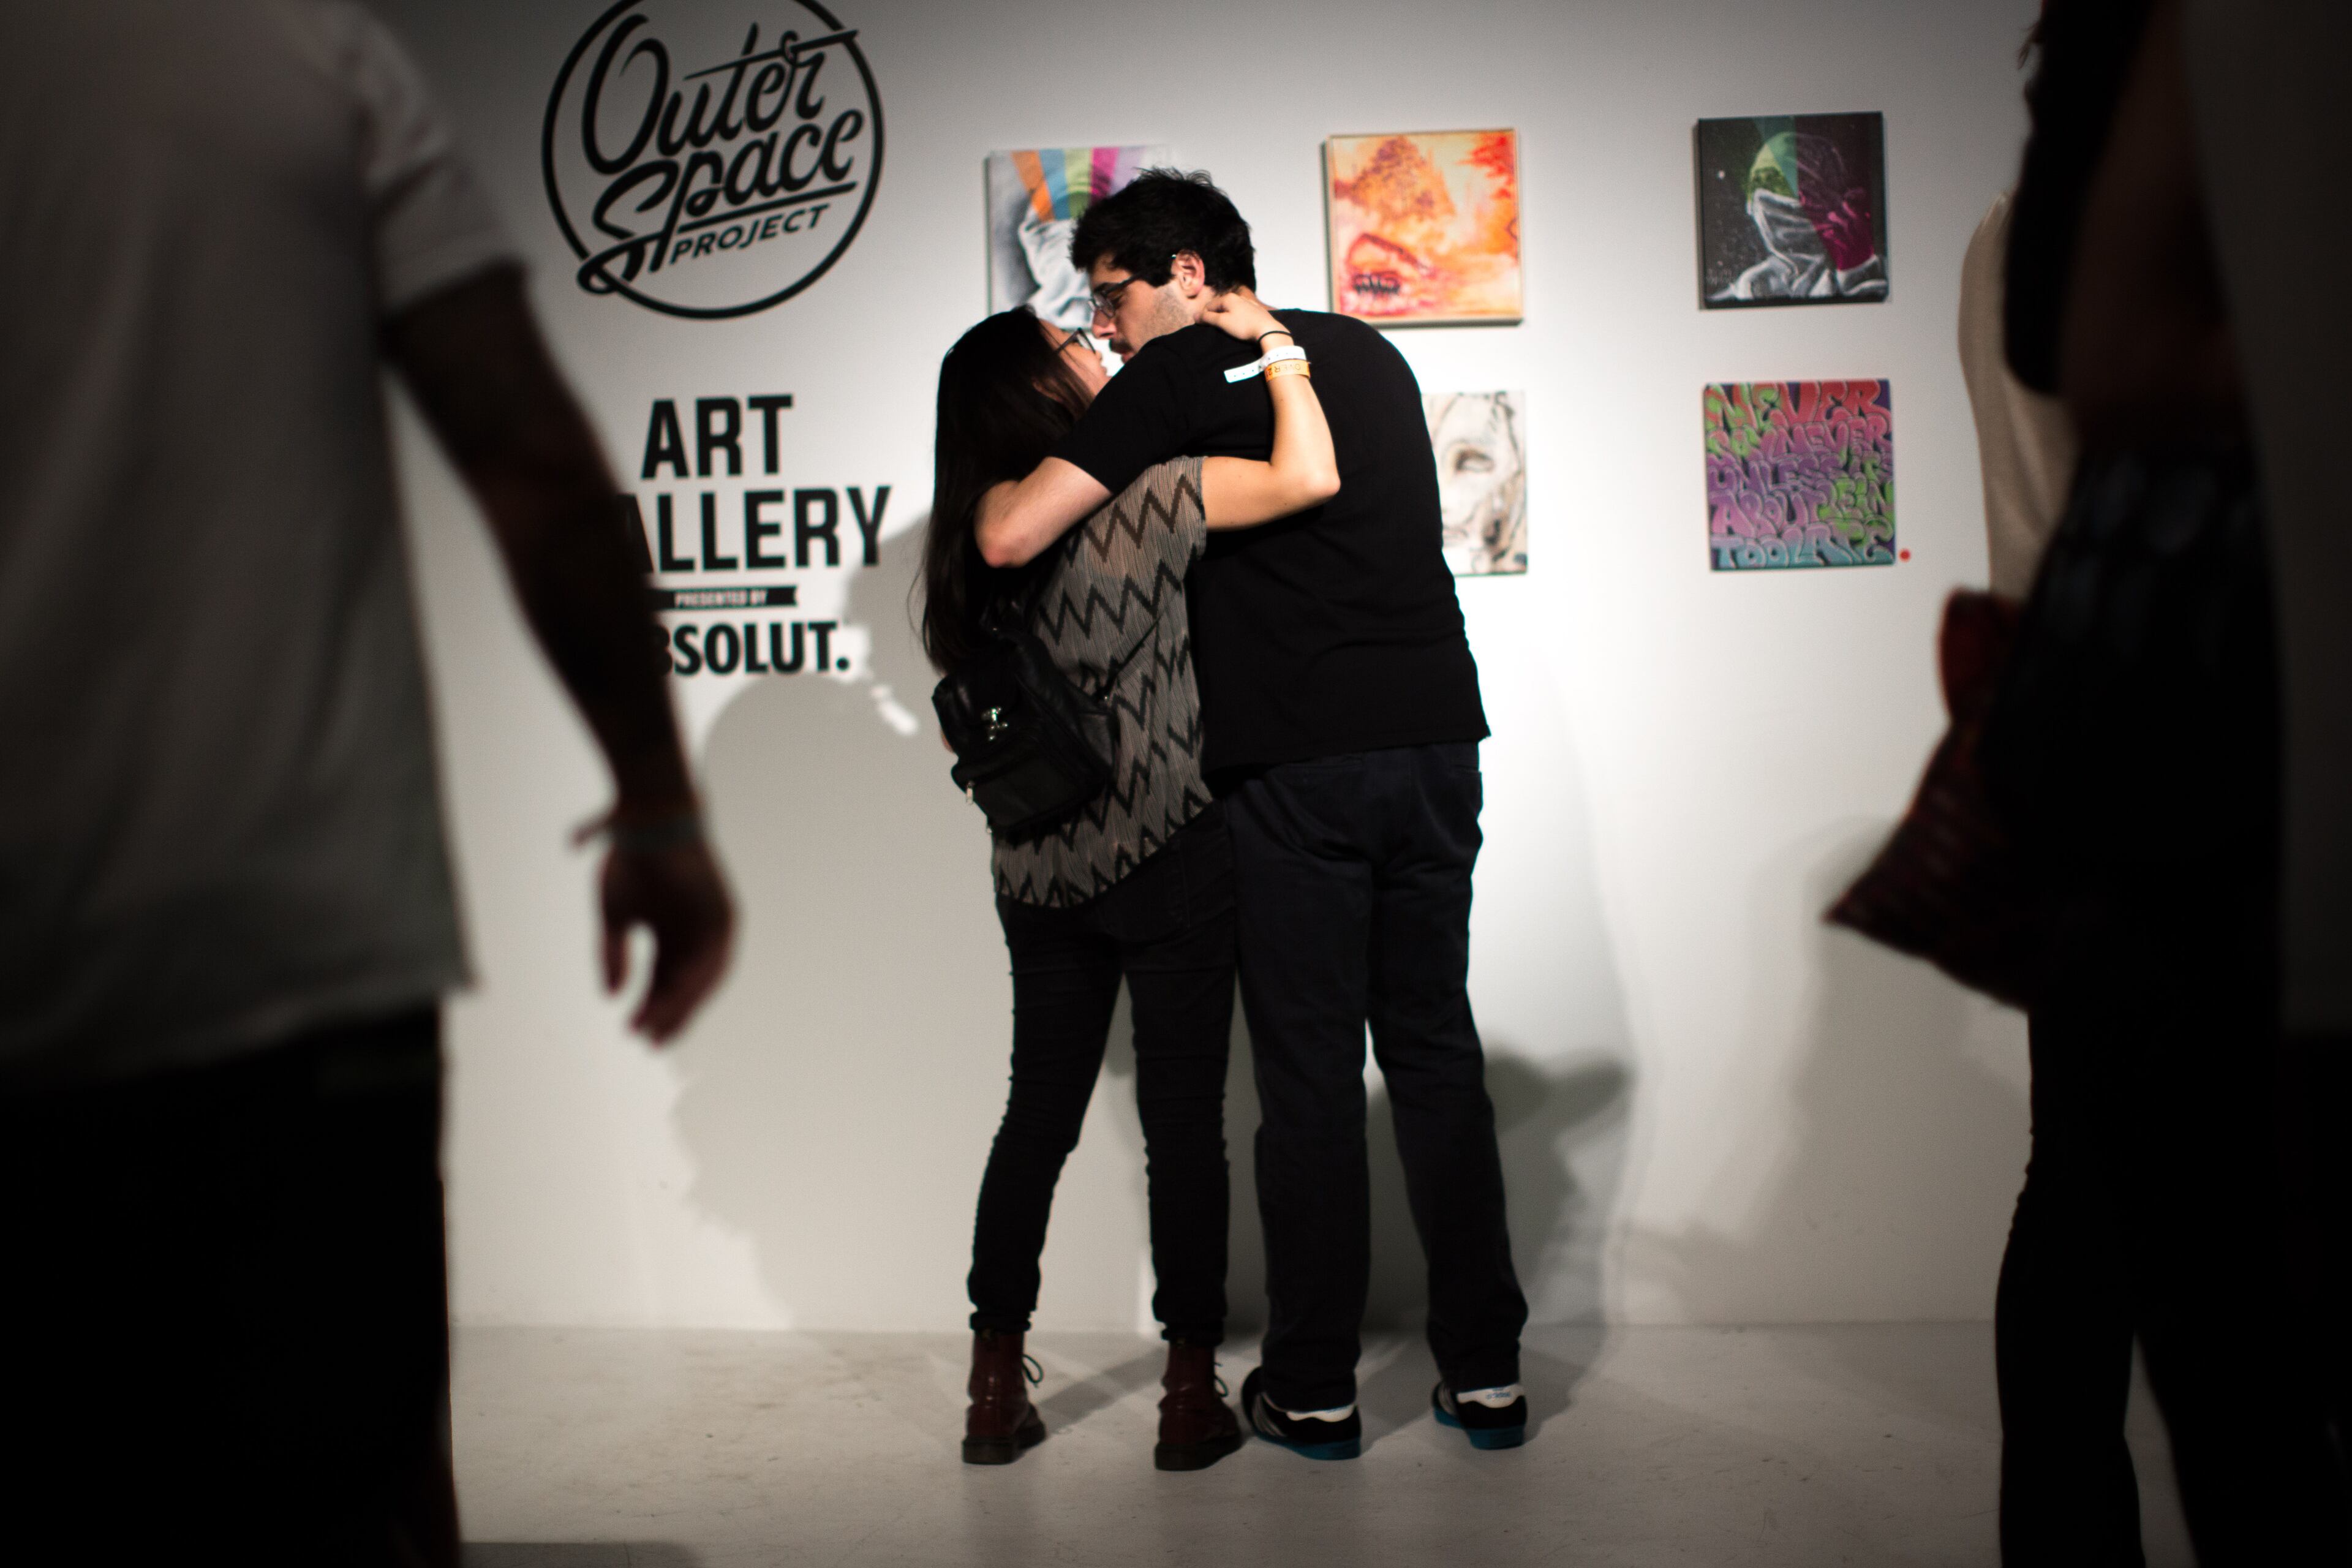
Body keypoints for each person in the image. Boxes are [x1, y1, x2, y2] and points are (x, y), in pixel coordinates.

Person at [0, 4, 733, 1561]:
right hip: (286, 934)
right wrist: (658, 807)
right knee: (349, 1494)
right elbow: (531, 458)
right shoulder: (294, 51)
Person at [977, 170, 1528, 1461]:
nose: (1102, 326)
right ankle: (1489, 1374)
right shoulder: (1366, 354)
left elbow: (1011, 538)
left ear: (1181, 274)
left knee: (1309, 1071)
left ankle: (1317, 1386)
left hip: (1296, 762)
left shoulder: (1166, 384)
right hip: (1438, 738)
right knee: (1438, 1050)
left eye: (1109, 294)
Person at [1986, 0, 2350, 1557]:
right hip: (2208, 742)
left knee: (2099, 1196)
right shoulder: (2258, 72)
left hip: (2127, 742)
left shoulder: (2010, 239)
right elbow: (2128, 357)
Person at [922, 293, 1337, 1471]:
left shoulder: (967, 541)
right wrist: (1275, 347)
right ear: (1042, 394)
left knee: (1034, 1120)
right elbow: (1309, 477)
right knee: (1183, 1131)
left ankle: (993, 1387)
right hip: (1168, 851)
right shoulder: (1153, 495)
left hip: (1036, 868)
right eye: (1075, 350)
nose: (1098, 350)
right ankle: (1188, 1395)